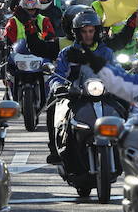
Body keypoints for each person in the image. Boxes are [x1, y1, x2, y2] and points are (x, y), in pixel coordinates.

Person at [45, 11, 115, 163]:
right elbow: (57, 74)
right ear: (77, 33)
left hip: (104, 96)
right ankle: (55, 149)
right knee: (52, 106)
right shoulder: (67, 53)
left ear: (97, 32)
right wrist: (58, 86)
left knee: (127, 105)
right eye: (84, 31)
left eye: (91, 31)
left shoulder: (107, 53)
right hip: (75, 96)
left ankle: (129, 145)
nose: (88, 35)